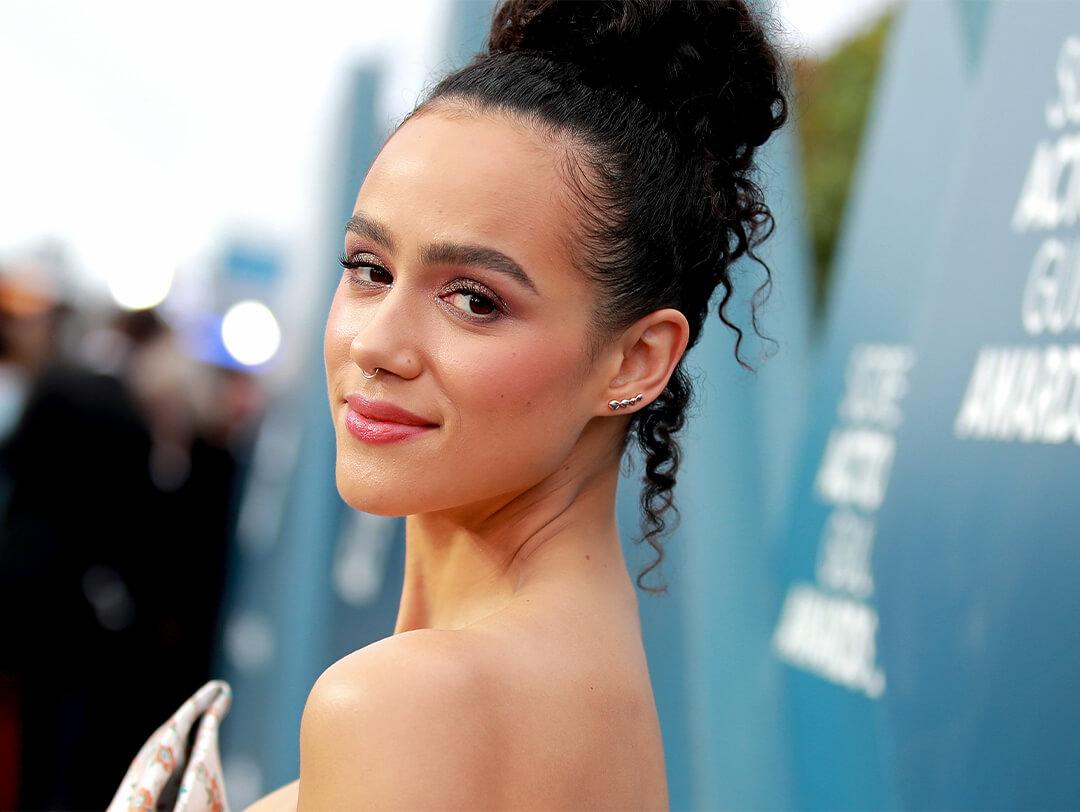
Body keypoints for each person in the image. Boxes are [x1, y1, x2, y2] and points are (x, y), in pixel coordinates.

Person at [110, 0, 789, 808]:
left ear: (636, 361)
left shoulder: (415, 705)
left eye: (473, 299)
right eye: (369, 268)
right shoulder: (573, 685)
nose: (376, 345)